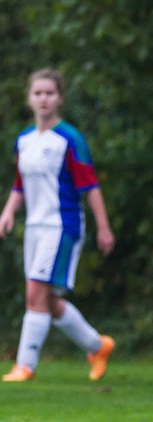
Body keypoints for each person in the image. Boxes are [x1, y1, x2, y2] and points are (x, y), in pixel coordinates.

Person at [0, 68, 116, 383]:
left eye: (49, 93)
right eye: (38, 93)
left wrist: (103, 227)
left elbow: (90, 186)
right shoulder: (24, 140)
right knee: (47, 301)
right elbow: (21, 182)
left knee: (35, 292)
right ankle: (97, 346)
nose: (43, 99)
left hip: (61, 225)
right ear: (29, 98)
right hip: (35, 227)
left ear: (60, 98)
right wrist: (8, 211)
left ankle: (25, 366)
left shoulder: (69, 139)